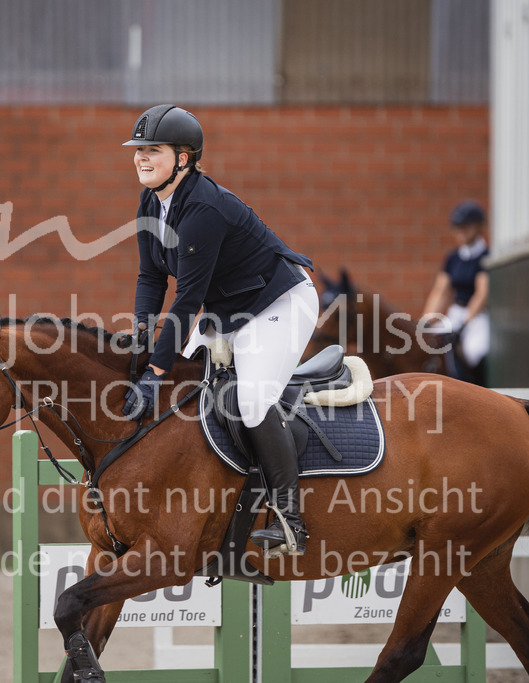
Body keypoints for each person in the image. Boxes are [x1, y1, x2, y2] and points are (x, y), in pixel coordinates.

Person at [120, 104, 318, 555]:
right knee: (187, 386)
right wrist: (139, 337)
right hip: (228, 306)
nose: (140, 157)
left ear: (184, 159)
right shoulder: (151, 200)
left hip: (279, 301)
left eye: (152, 150)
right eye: (137, 150)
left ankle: (290, 520)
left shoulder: (204, 208)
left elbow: (186, 300)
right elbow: (151, 277)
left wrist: (153, 370)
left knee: (250, 401)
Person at [422, 200, 490, 386]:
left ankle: (481, 388)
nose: (461, 231)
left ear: (478, 227)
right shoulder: (453, 258)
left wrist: (465, 322)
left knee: (475, 351)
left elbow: (482, 294)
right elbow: (441, 291)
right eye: (457, 227)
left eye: (465, 227)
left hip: (477, 316)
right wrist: (427, 319)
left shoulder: (485, 256)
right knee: (431, 343)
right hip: (456, 312)